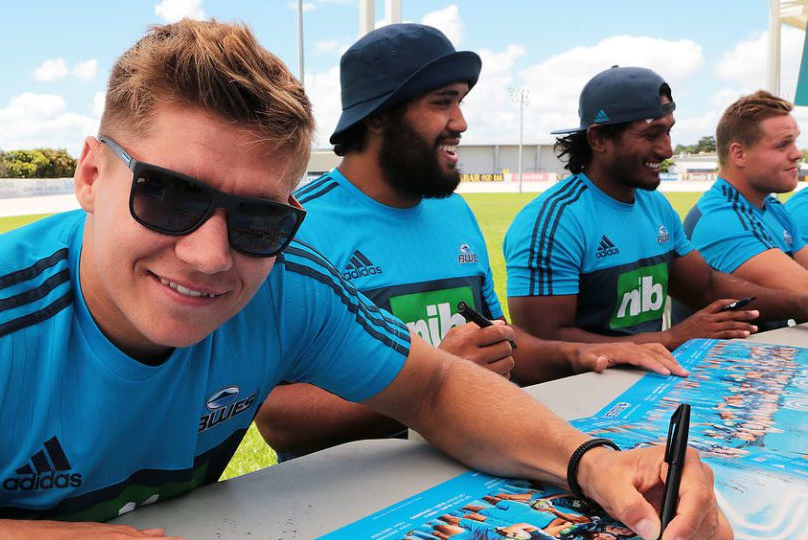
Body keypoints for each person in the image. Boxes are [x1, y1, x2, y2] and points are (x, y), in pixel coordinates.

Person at [0, 21, 730, 540]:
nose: (210, 254)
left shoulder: (288, 285)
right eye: (168, 193)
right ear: (91, 174)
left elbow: (435, 387)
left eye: (260, 217)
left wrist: (592, 462)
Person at [255, 25, 686, 456]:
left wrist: (581, 356)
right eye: (442, 102)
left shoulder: (455, 211)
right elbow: (277, 420)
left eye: (460, 102)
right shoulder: (303, 225)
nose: (460, 123)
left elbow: (498, 342)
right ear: (378, 116)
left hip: (462, 472)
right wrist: (433, 378)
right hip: (351, 490)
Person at [503, 66, 808, 349]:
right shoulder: (556, 220)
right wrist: (671, 338)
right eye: (651, 135)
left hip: (649, 378)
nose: (667, 149)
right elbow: (542, 342)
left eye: (668, 131)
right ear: (598, 139)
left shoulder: (655, 206)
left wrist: (801, 304)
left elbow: (705, 287)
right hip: (582, 388)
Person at [679, 91, 808, 328]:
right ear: (739, 154)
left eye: (795, 142)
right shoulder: (720, 220)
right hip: (724, 353)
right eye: (783, 145)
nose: (797, 154)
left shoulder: (773, 209)